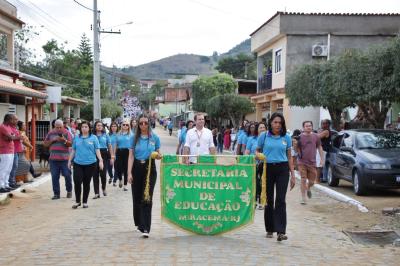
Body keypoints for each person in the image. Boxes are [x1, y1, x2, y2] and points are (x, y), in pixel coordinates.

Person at [256, 113, 295, 241]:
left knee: (280, 199)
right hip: (267, 169)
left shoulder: (286, 138)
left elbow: (289, 157)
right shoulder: (264, 136)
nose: (278, 125)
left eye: (280, 122)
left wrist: (293, 175)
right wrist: (259, 155)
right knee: (269, 199)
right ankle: (270, 228)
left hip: (283, 169)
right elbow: (257, 151)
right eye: (275, 122)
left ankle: (281, 231)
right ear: (270, 123)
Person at [127, 114, 162, 238]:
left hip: (149, 169)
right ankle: (138, 223)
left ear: (149, 123)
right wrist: (129, 173)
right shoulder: (133, 138)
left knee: (147, 197)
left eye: (145, 123)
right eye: (140, 123)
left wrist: (158, 155)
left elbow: (159, 153)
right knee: (137, 197)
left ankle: (146, 227)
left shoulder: (155, 138)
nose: (143, 125)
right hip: (136, 167)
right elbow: (130, 156)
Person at [68, 121, 103, 209]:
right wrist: (69, 160)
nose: (84, 128)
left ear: (89, 128)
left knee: (86, 182)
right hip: (78, 163)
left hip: (90, 163)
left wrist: (101, 160)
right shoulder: (76, 138)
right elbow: (73, 150)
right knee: (77, 181)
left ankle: (84, 202)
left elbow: (97, 150)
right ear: (80, 128)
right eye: (82, 127)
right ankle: (77, 201)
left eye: (86, 127)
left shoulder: (94, 138)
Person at [44, 119, 73, 200]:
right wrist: (53, 140)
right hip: (53, 159)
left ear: (63, 126)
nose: (59, 129)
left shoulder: (67, 133)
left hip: (65, 159)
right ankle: (56, 194)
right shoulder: (50, 133)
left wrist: (64, 141)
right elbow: (45, 144)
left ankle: (69, 191)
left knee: (67, 175)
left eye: (60, 127)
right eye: (57, 127)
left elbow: (71, 144)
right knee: (55, 176)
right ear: (54, 126)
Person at [297, 121, 324, 205]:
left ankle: (308, 188)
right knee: (303, 179)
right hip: (302, 162)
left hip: (312, 162)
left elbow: (319, 147)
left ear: (312, 127)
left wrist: (322, 159)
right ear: (303, 128)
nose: (308, 127)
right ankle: (303, 198)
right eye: (306, 126)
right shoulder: (299, 137)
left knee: (312, 181)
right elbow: (296, 149)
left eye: (310, 125)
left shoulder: (316, 136)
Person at [92, 121, 114, 198]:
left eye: (101, 125)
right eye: (98, 125)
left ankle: (104, 188)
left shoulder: (106, 135)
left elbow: (110, 146)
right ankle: (96, 192)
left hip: (104, 154)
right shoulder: (92, 136)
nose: (99, 127)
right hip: (94, 155)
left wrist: (112, 156)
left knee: (103, 173)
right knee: (95, 174)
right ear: (95, 127)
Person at [0, 114, 20, 192]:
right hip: (4, 151)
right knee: (3, 169)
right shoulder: (2, 127)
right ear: (9, 119)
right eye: (14, 119)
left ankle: (6, 184)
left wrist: (11, 137)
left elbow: (11, 136)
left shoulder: (8, 127)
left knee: (8, 169)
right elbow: (12, 137)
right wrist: (16, 137)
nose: (15, 121)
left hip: (11, 150)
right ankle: (1, 186)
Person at [244, 122, 261, 208]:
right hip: (253, 163)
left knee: (263, 182)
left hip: (265, 164)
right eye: (260, 128)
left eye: (263, 128)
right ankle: (254, 200)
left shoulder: (268, 139)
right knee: (255, 182)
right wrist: (246, 160)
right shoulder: (251, 139)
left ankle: (262, 200)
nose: (262, 129)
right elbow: (247, 151)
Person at [114, 119, 133, 191]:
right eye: (124, 124)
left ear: (129, 126)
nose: (125, 126)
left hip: (127, 152)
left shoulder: (131, 135)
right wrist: (113, 154)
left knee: (126, 168)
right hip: (119, 151)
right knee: (118, 167)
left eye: (127, 125)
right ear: (121, 125)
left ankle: (125, 185)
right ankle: (120, 180)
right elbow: (115, 144)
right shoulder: (118, 134)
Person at [8, 114, 22, 189]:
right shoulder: (8, 128)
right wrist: (18, 137)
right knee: (11, 166)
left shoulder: (15, 127)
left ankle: (12, 181)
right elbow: (10, 137)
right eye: (16, 119)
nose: (17, 121)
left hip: (16, 150)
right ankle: (10, 182)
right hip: (11, 150)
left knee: (14, 166)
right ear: (11, 120)